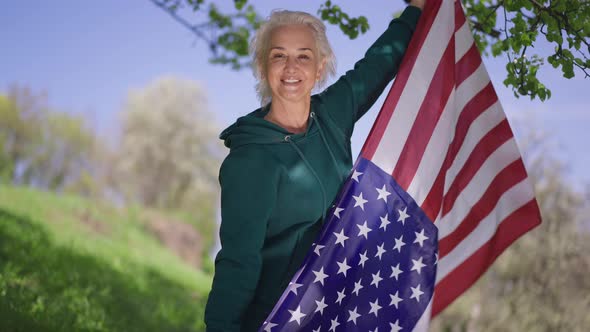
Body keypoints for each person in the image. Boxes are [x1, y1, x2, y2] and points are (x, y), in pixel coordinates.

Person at [205, 1, 425, 330]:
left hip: (333, 311)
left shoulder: (330, 116)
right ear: (264, 66)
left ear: (319, 68)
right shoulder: (250, 161)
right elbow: (238, 264)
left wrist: (416, 10)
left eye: (303, 56)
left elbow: (379, 62)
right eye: (278, 55)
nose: (291, 67)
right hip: (276, 320)